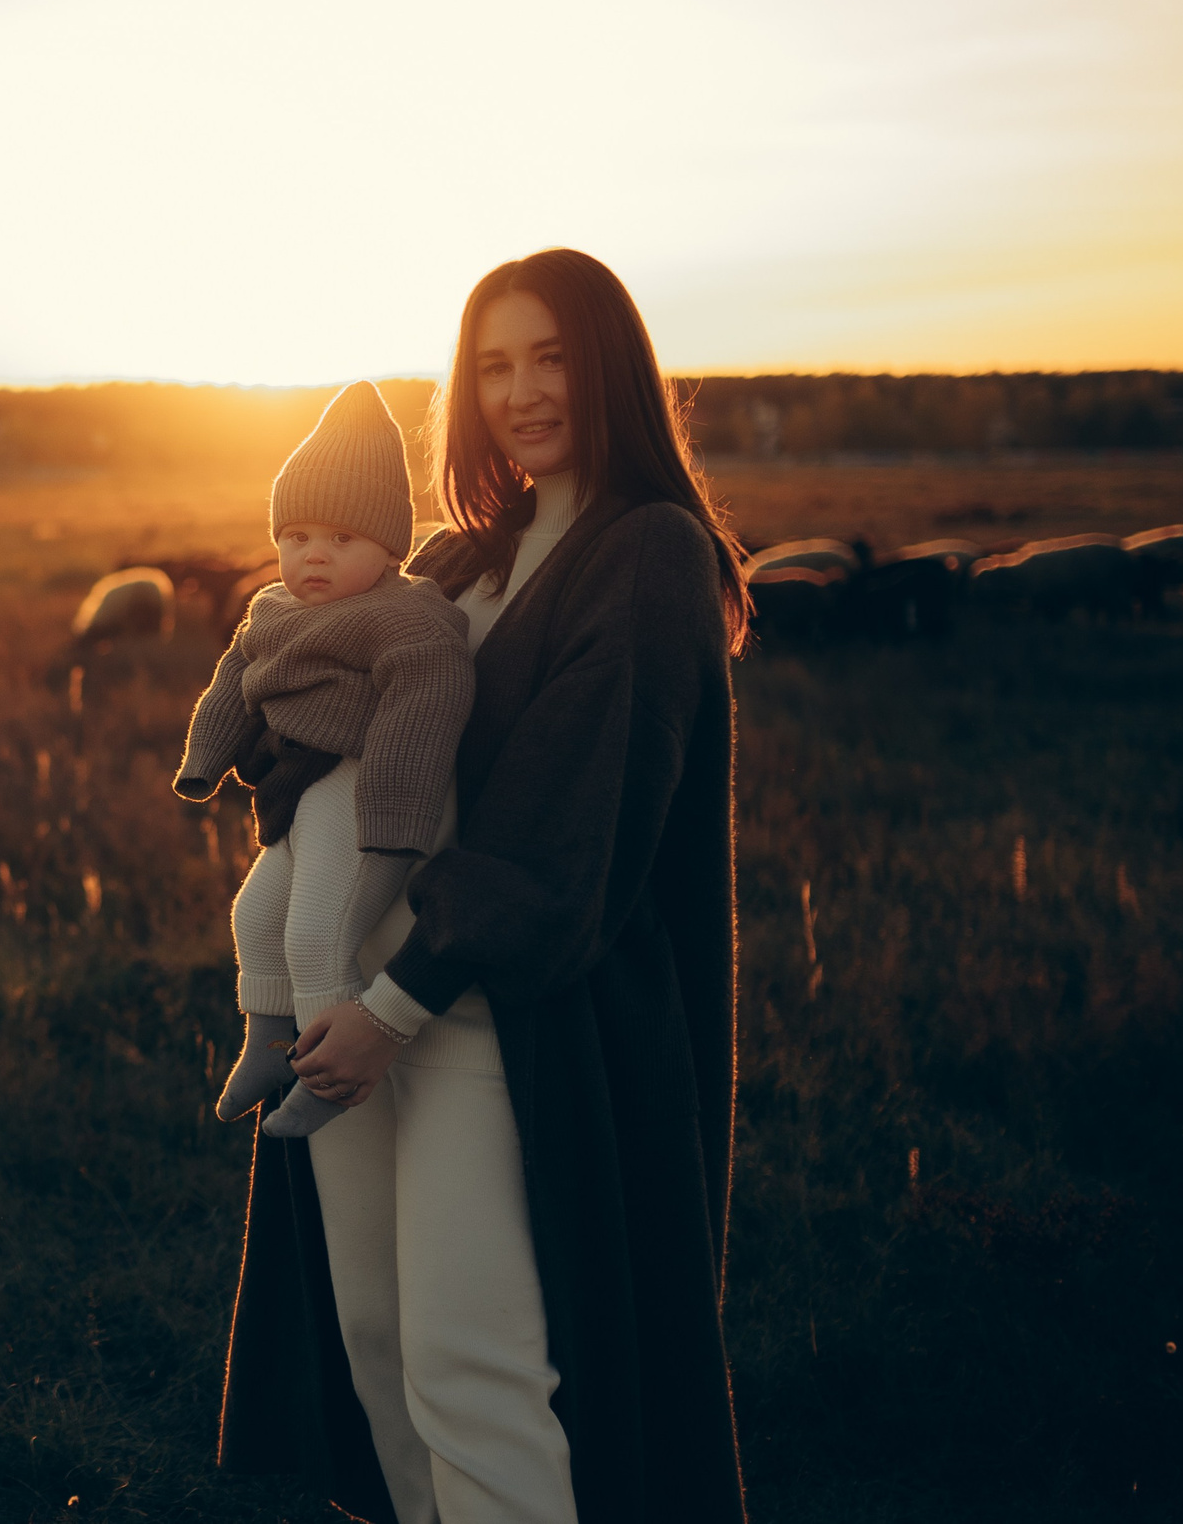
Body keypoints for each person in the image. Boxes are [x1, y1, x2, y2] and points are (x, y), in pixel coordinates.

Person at [215, 249, 753, 1524]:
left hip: (486, 1018)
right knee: (376, 1343)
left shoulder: (648, 555)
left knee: (474, 1359)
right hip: (351, 1000)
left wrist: (392, 1006)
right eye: (495, 363)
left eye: (551, 355)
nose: (522, 389)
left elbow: (571, 836)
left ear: (610, 364)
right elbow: (340, 733)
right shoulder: (459, 557)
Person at [175, 382, 474, 1139]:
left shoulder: (409, 617)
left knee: (318, 929)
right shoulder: (272, 609)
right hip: (294, 789)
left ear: (388, 548)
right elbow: (232, 683)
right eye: (298, 535)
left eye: (342, 540)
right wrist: (205, 760)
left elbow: (424, 707)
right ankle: (269, 1041)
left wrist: (393, 814)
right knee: (255, 913)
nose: (314, 554)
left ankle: (331, 1070)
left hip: (359, 785)